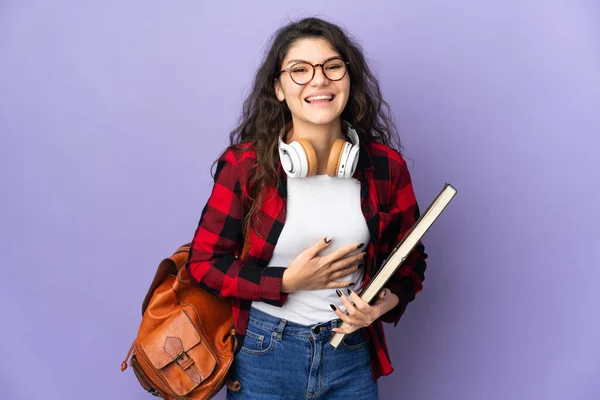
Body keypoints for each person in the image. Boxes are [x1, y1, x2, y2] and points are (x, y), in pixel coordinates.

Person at [185, 17, 428, 400]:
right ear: (279, 89)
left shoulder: (385, 167)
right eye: (300, 70)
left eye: (332, 66)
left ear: (349, 79)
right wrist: (285, 282)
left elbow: (411, 260)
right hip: (264, 355)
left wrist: (382, 304)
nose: (319, 81)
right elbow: (203, 263)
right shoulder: (245, 165)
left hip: (350, 354)